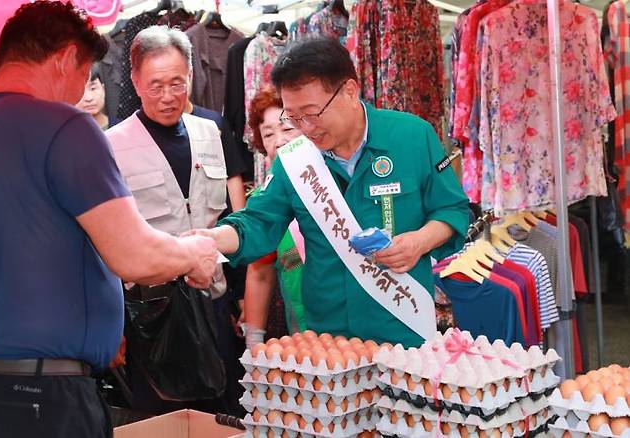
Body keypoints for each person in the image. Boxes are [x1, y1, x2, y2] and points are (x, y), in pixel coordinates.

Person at [0, 3, 218, 438]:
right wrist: (194, 252)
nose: (82, 91)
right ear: (67, 58)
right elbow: (136, 256)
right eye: (86, 74)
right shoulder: (62, 125)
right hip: (43, 395)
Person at [200, 37, 470, 348]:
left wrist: (420, 241)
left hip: (403, 325)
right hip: (328, 336)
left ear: (350, 91)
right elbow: (258, 222)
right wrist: (212, 239)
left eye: (312, 113)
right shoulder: (294, 161)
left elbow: (452, 210)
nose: (306, 127)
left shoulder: (412, 136)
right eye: (294, 117)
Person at [105, 25, 242, 416]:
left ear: (191, 78)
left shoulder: (211, 131)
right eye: (156, 85)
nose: (168, 97)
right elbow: (106, 243)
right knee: (162, 419)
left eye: (177, 84)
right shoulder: (112, 145)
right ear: (135, 81)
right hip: (151, 314)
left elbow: (226, 217)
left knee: (219, 414)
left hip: (211, 302)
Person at [241, 86, 306, 348]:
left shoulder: (342, 182)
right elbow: (259, 272)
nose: (279, 141)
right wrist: (254, 342)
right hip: (304, 339)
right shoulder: (264, 202)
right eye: (268, 134)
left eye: (288, 128)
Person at [76, 63, 109, 129]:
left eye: (93, 88)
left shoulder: (118, 127)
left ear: (103, 89)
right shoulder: (65, 133)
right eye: (80, 91)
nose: (89, 98)